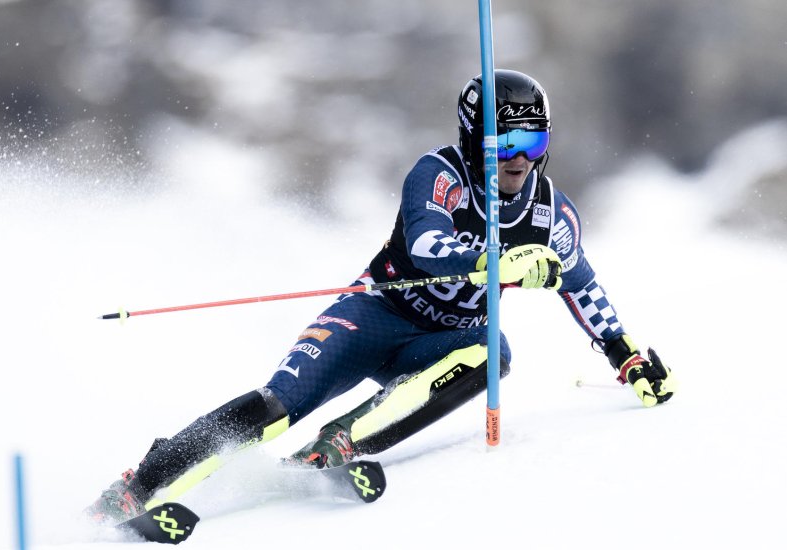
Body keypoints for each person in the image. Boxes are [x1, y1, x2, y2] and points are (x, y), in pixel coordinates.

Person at [86, 69, 677, 523]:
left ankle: (338, 445)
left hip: (442, 341)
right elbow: (425, 245)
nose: (521, 159)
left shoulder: (551, 213)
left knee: (493, 353)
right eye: (507, 142)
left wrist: (625, 355)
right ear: (476, 139)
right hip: (373, 314)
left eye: (534, 139)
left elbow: (585, 288)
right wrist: (493, 261)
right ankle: (140, 485)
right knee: (276, 406)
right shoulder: (437, 173)